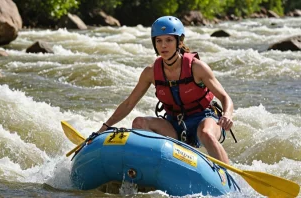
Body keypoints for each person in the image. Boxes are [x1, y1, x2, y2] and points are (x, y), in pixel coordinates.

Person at [97, 16, 234, 164]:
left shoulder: (197, 67)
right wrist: (105, 127)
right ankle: (159, 164)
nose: (163, 46)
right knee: (139, 123)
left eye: (169, 40)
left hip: (203, 118)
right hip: (174, 123)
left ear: (179, 42)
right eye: (159, 41)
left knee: (206, 133)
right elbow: (129, 103)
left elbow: (225, 97)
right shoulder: (150, 72)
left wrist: (227, 115)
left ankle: (226, 175)